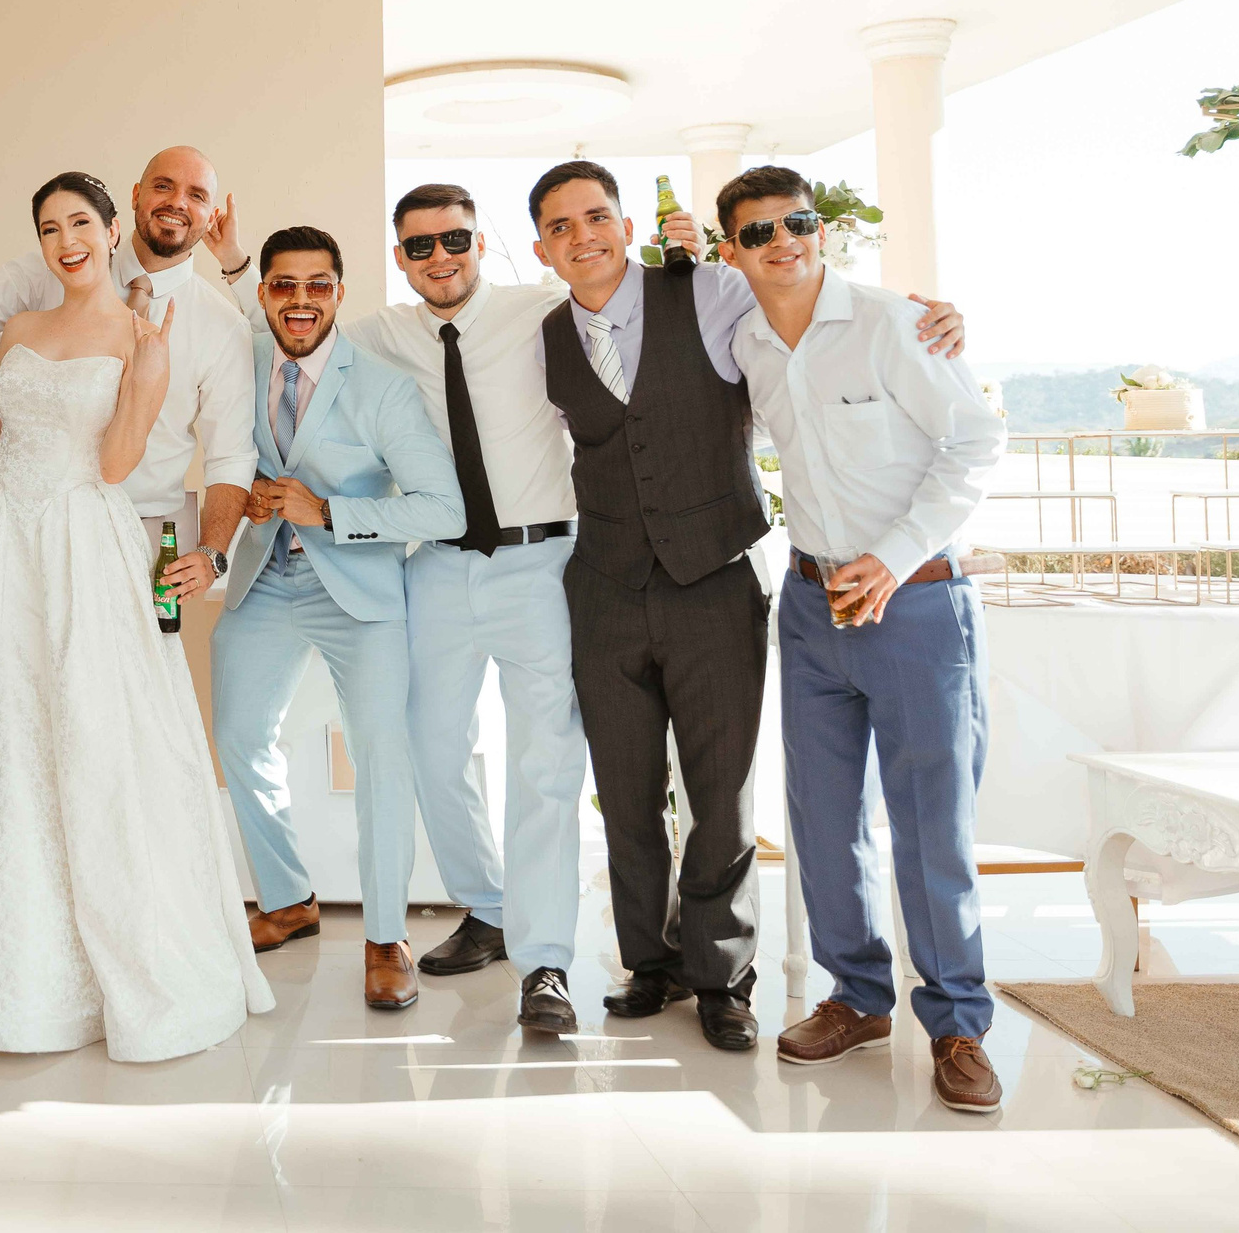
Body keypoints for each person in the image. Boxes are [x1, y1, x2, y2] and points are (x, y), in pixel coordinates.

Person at [210, 185, 685, 1033]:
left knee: (544, 761)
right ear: (399, 258)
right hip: (433, 566)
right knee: (430, 749)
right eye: (421, 245)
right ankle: (487, 907)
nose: (440, 258)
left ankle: (545, 962)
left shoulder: (541, 310)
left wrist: (682, 257)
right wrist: (239, 264)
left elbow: (617, 290)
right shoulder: (379, 334)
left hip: (539, 559)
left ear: (480, 244)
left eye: (455, 239)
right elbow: (285, 327)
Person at [529, 159, 963, 1052]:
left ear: (626, 225)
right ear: (542, 248)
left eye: (598, 216)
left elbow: (803, 296)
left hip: (715, 576)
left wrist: (938, 323)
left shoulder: (714, 290)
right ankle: (649, 961)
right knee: (626, 791)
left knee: (720, 793)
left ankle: (721, 976)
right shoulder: (539, 333)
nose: (583, 236)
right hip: (605, 584)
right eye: (561, 226)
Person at [0, 173, 272, 1059]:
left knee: (83, 720)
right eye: (48, 227)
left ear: (112, 231)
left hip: (81, 539)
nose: (65, 240)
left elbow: (113, 466)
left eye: (80, 223)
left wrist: (148, 375)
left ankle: (93, 951)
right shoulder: (22, 328)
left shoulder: (144, 338)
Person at [716, 166, 1007, 1111]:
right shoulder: (745, 337)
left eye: (797, 222)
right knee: (824, 817)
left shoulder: (895, 323)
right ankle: (857, 995)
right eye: (758, 231)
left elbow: (976, 440)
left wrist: (893, 555)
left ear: (822, 229)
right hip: (810, 606)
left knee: (932, 825)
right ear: (732, 250)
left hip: (915, 602)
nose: (783, 241)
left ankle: (958, 1023)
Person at [212, 226, 466, 1012]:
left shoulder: (382, 387)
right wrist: (249, 495)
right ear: (263, 293)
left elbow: (445, 507)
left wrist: (327, 511)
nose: (301, 300)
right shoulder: (242, 357)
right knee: (238, 734)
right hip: (263, 577)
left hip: (357, 591)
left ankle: (386, 936)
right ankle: (287, 897)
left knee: (380, 755)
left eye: (317, 285)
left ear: (339, 293)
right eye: (284, 285)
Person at [0, 145, 256, 616]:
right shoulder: (52, 269)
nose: (177, 202)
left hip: (141, 528)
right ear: (135, 196)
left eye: (196, 195)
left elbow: (231, 456)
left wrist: (212, 553)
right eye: (163, 186)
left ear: (211, 214)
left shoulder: (222, 327)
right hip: (18, 526)